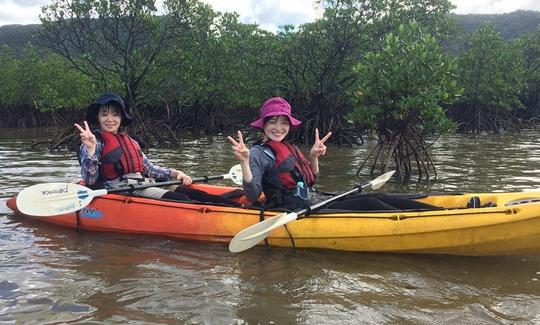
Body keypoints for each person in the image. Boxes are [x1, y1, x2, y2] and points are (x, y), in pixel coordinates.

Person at [75, 92, 196, 201]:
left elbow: (150, 169)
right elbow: (90, 180)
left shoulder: (132, 142)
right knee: (181, 198)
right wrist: (91, 150)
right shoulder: (92, 143)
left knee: (193, 193)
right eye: (104, 114)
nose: (110, 119)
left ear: (121, 118)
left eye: (115, 114)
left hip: (142, 182)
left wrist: (176, 173)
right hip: (119, 188)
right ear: (98, 117)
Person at [227, 97, 332, 210]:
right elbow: (252, 196)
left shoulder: (292, 147)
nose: (278, 128)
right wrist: (244, 162)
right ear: (263, 125)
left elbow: (311, 182)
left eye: (284, 123)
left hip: (302, 207)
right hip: (281, 210)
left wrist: (313, 157)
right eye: (272, 122)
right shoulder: (257, 153)